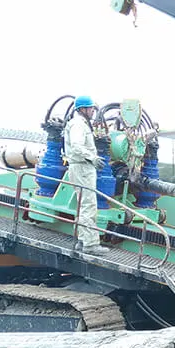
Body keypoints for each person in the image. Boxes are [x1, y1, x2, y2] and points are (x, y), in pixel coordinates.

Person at [63, 95, 109, 256]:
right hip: (82, 167)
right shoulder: (78, 125)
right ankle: (90, 244)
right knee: (88, 205)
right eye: (90, 108)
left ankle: (83, 241)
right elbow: (76, 146)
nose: (92, 111)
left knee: (83, 205)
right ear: (82, 109)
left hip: (80, 167)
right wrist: (93, 157)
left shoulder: (78, 124)